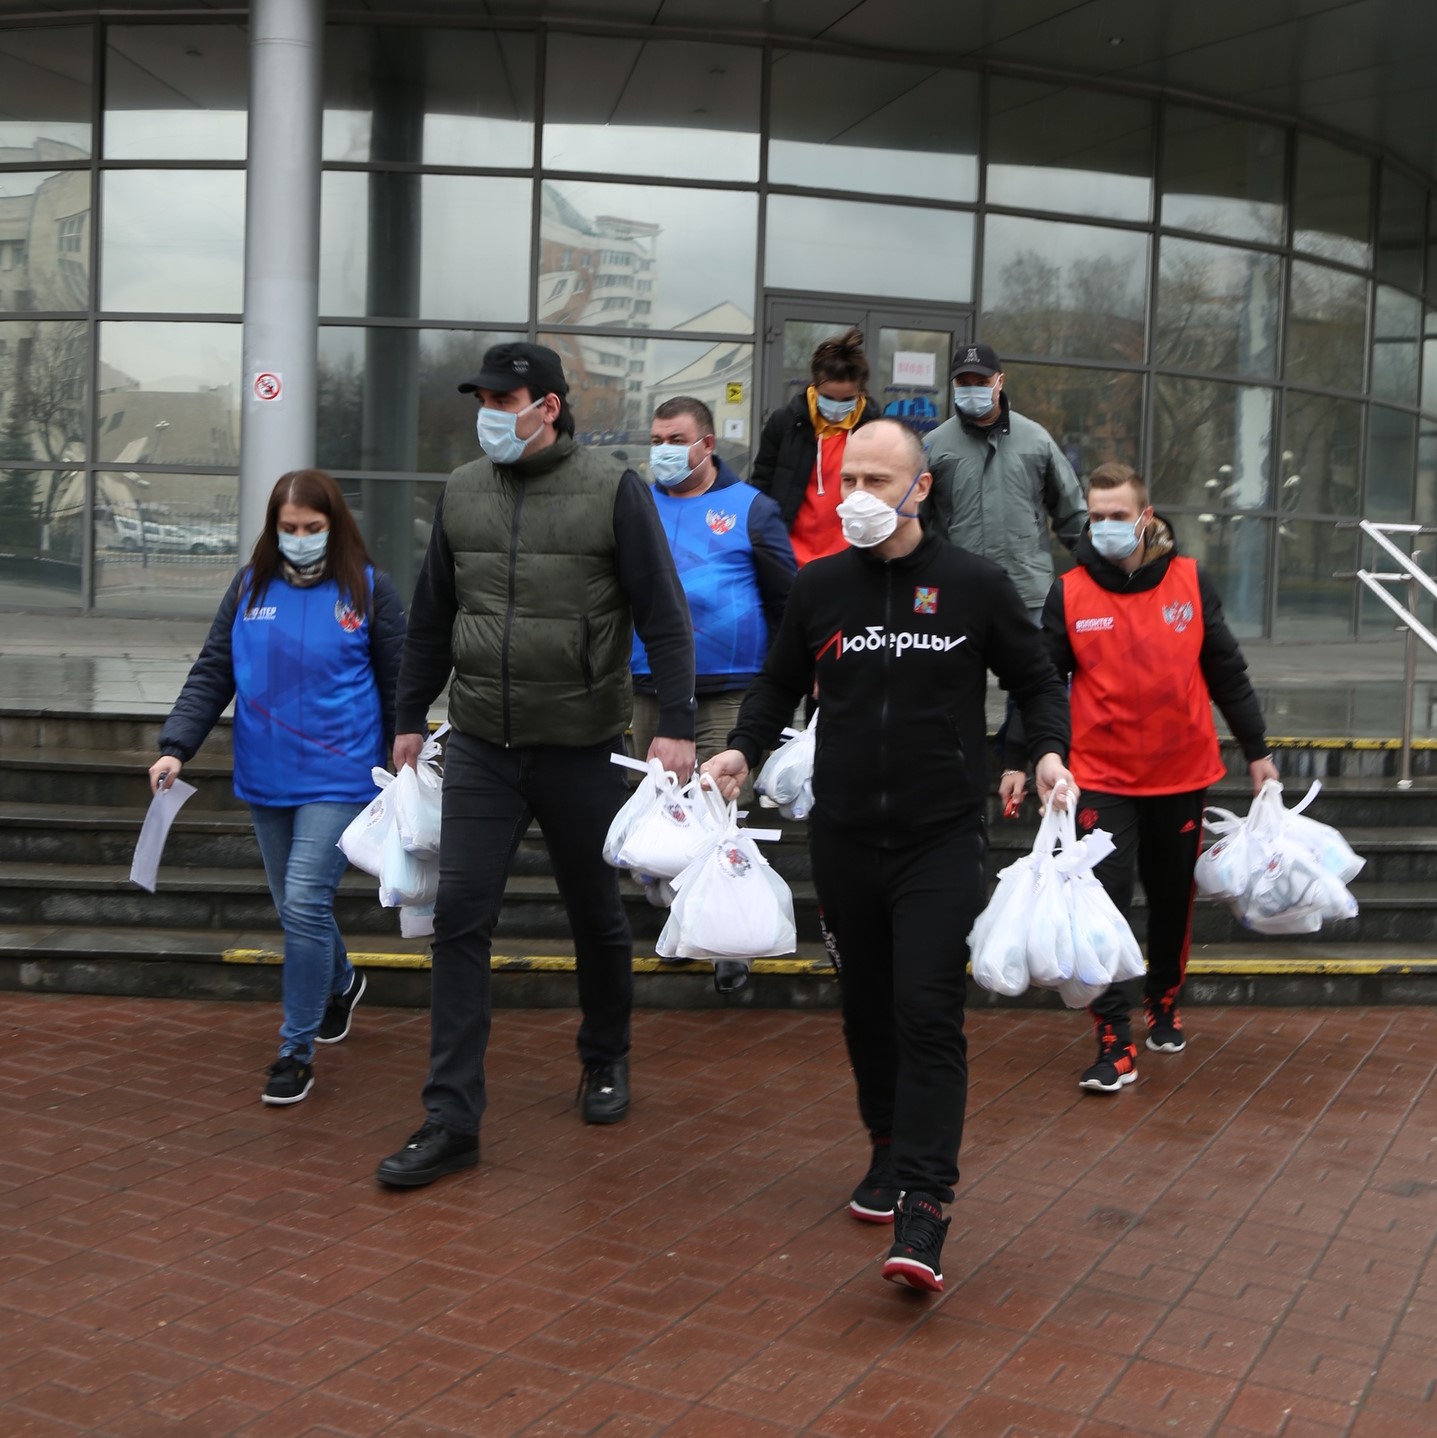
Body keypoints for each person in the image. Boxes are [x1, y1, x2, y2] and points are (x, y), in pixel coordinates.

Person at [701, 419, 1075, 1294]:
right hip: (841, 836)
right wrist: (741, 750)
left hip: (939, 836)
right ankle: (884, 1145)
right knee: (867, 1008)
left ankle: (926, 1202)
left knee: (925, 1010)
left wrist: (1045, 751)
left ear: (919, 489)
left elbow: (1035, 678)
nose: (857, 497)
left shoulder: (973, 584)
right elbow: (778, 683)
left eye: (876, 481)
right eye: (848, 481)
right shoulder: (820, 585)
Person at [375, 342, 696, 1190]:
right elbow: (432, 616)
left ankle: (604, 1055)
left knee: (594, 912)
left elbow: (663, 613)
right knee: (458, 921)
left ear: (547, 406)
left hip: (581, 742)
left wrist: (677, 722)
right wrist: (407, 716)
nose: (488, 413)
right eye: (482, 399)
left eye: (503, 399)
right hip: (481, 741)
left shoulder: (612, 490)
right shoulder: (462, 490)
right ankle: (451, 1118)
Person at [1001, 462, 1279, 1094]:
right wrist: (1019, 758)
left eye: (1118, 516)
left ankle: (1163, 1000)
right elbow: (1038, 684)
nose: (1105, 526)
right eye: (1096, 516)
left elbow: (1226, 669)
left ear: (1145, 518)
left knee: (1172, 897)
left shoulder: (1189, 580)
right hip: (1099, 776)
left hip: (1181, 772)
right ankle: (1113, 1039)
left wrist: (1257, 748)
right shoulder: (1070, 592)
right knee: (1103, 900)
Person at [150, 469, 406, 1106]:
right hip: (265, 774)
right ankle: (341, 982)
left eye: (312, 527)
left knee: (304, 899)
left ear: (334, 526)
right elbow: (214, 670)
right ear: (274, 528)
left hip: (341, 773)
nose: (300, 537)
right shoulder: (248, 588)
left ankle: (295, 1051)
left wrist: (406, 748)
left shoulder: (368, 588)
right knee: (296, 906)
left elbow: (401, 679)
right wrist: (176, 746)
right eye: (289, 527)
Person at [630, 394, 796, 773]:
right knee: (648, 804)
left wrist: (775, 687)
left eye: (676, 440)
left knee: (718, 803)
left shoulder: (753, 508)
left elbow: (786, 604)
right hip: (648, 689)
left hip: (727, 693)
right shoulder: (636, 506)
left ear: (707, 444)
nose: (664, 450)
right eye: (657, 441)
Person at [926, 342, 1086, 619]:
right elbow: (914, 522)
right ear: (953, 384)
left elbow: (1071, 512)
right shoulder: (933, 446)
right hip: (955, 591)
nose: (972, 390)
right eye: (964, 383)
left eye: (981, 382)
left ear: (1000, 381)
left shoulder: (1036, 440)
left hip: (1026, 594)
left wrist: (1100, 563)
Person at [751, 326, 881, 567]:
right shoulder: (785, 422)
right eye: (828, 398)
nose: (837, 406)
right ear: (814, 386)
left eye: (847, 400)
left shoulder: (876, 429)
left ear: (861, 392)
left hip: (851, 558)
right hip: (789, 555)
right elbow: (762, 483)